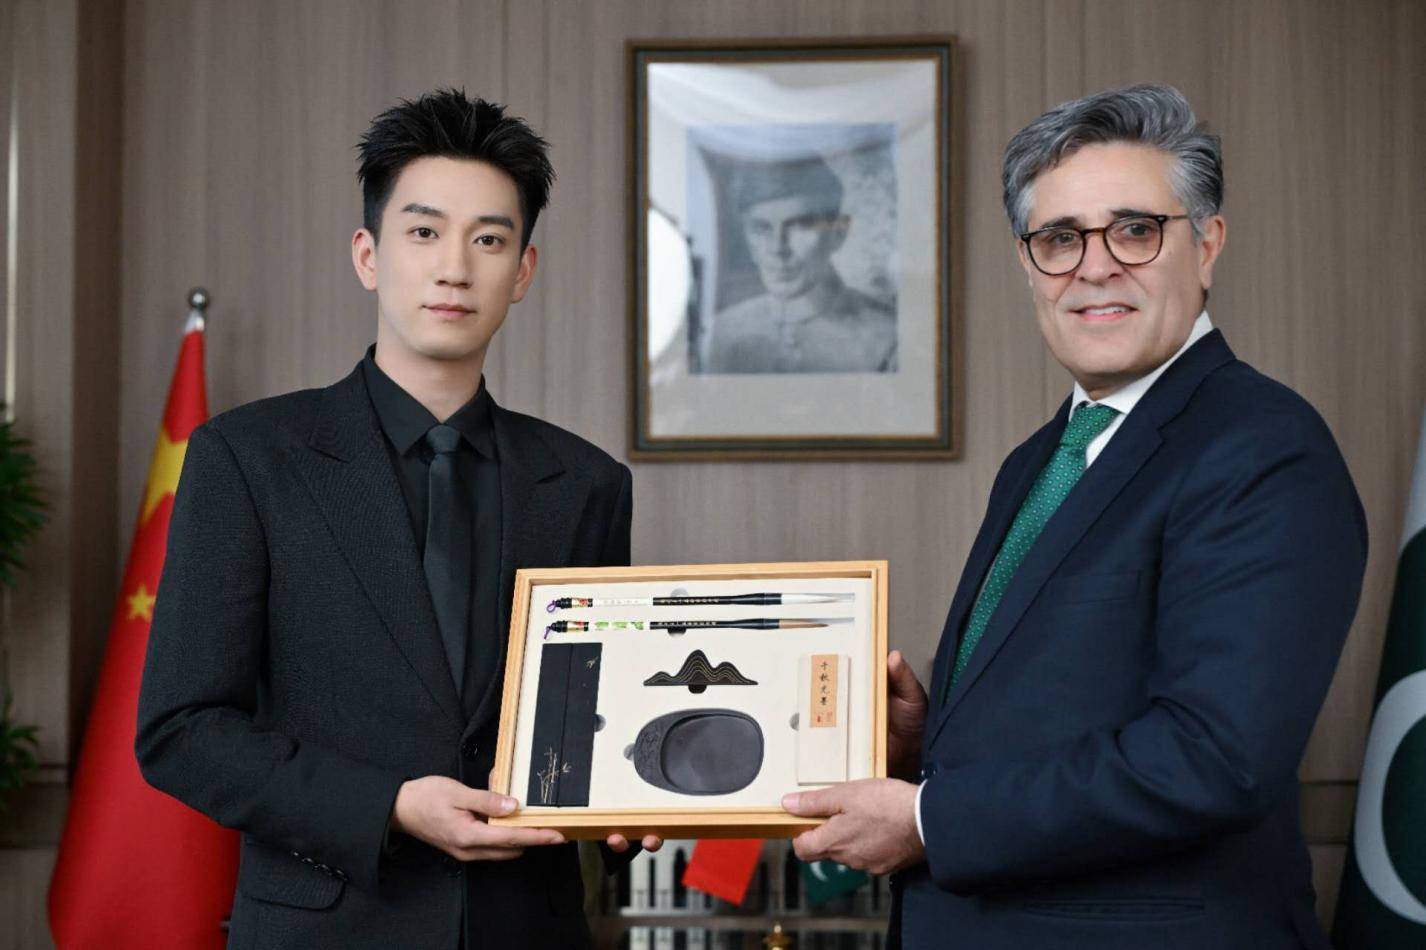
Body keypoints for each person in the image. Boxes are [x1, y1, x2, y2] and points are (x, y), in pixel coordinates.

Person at [782, 84, 1367, 949]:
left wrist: (935, 817)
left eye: (1134, 229)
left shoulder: (1264, 447)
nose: (1095, 267)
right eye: (1060, 238)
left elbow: (1214, 757)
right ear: (1029, 266)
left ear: (1207, 245)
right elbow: (1076, 700)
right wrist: (927, 741)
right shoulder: (1043, 457)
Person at [136, 89, 656, 950]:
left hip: (528, 928)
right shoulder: (248, 458)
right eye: (423, 232)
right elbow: (181, 731)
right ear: (368, 255)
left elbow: (595, 721)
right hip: (323, 929)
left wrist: (638, 800)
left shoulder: (586, 484)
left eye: (488, 239)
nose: (455, 268)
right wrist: (389, 807)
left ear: (523, 271)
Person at [702, 155, 896, 374]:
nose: (778, 248)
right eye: (761, 228)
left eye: (800, 226)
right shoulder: (719, 334)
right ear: (747, 238)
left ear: (838, 233)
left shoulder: (888, 340)